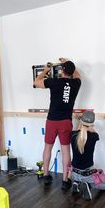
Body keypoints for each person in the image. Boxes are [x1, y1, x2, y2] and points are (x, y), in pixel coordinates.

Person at [34, 58, 81, 190]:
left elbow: (36, 82)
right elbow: (78, 75)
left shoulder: (54, 82)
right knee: (66, 150)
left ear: (62, 71)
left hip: (52, 121)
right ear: (71, 72)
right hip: (66, 122)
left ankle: (45, 175)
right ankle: (66, 180)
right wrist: (69, 62)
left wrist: (45, 71)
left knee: (47, 148)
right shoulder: (76, 83)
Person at [70, 110, 105, 200]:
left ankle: (76, 183)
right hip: (87, 175)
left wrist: (80, 121)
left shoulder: (72, 135)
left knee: (80, 170)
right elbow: (91, 130)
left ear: (81, 122)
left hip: (74, 173)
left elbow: (78, 131)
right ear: (92, 124)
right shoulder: (94, 136)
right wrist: (89, 125)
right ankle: (87, 185)